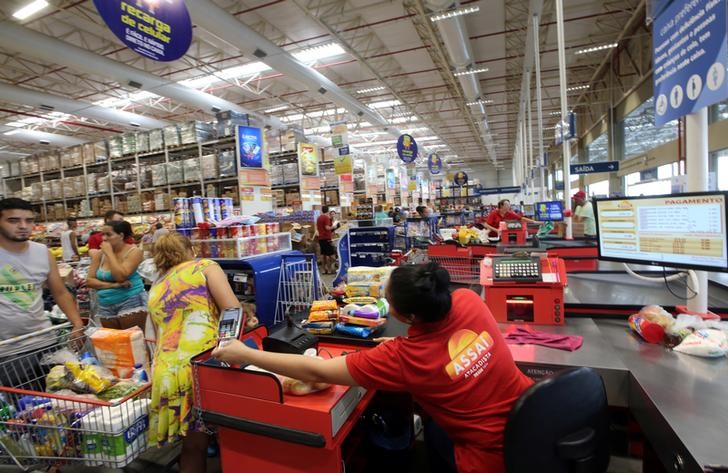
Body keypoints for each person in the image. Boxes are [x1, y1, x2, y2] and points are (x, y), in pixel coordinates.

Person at [212, 262, 533, 473]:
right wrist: (398, 347)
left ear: (406, 317)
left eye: (387, 298)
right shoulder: (468, 300)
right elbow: (444, 343)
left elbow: (318, 372)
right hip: (532, 414)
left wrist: (247, 354)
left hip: (490, 456)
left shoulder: (406, 359)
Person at [147, 233, 241, 473]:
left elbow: (160, 335)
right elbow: (232, 309)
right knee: (231, 435)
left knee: (192, 443)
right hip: (205, 362)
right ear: (190, 249)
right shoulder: (205, 267)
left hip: (167, 371)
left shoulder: (156, 287)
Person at [0, 198, 84, 383]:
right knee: (20, 407)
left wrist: (77, 324)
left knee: (57, 401)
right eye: (13, 220)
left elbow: (59, 292)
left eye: (29, 221)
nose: (23, 226)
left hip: (44, 341)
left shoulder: (42, 252)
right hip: (7, 350)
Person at [85, 220, 147, 330]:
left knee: (133, 341)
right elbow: (89, 281)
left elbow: (120, 276)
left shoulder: (134, 252)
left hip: (130, 300)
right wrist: (114, 285)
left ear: (121, 235)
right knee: (114, 343)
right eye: (102, 234)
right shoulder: (100, 254)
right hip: (105, 304)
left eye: (108, 234)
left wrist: (109, 253)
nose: (104, 238)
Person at [316, 205, 340, 274]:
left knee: (323, 255)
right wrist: (333, 226)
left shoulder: (319, 218)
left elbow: (319, 228)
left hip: (320, 238)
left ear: (322, 210)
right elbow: (327, 228)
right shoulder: (326, 218)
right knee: (330, 255)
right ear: (328, 211)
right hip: (326, 238)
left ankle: (323, 270)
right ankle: (329, 270)